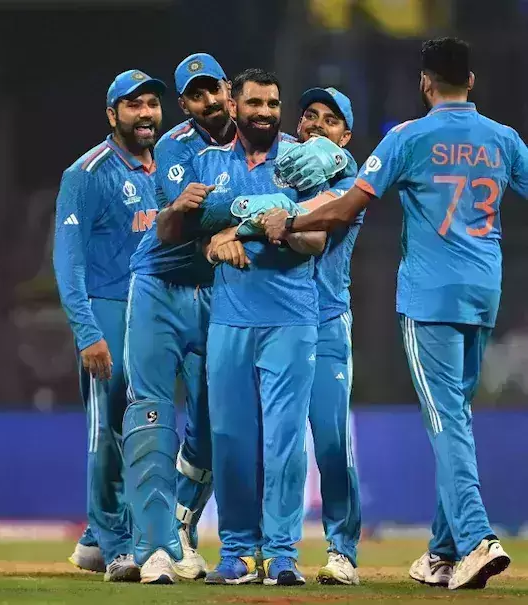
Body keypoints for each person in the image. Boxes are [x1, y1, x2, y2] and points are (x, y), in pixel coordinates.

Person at [262, 37, 528, 590]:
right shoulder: (504, 139)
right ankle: (441, 554)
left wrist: (291, 223)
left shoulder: (408, 136)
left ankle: (476, 538)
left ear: (425, 83)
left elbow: (347, 207)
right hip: (484, 292)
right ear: (471, 81)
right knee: (457, 416)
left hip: (430, 297)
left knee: (445, 419)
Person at [189, 68, 330, 587]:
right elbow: (196, 232)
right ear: (233, 105)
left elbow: (317, 239)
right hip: (229, 319)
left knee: (284, 442)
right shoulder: (208, 163)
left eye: (273, 103)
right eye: (255, 103)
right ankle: (237, 552)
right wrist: (214, 244)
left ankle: (281, 553)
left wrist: (282, 228)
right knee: (230, 440)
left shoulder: (302, 159)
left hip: (290, 318)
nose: (265, 112)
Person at [122, 52, 233, 585]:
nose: (208, 101)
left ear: (229, 89)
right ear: (185, 105)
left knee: (214, 424)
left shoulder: (256, 143)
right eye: (195, 95)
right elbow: (177, 227)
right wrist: (253, 210)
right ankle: (153, 547)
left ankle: (180, 524)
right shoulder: (174, 147)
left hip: (218, 293)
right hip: (160, 288)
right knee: (150, 414)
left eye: (214, 89)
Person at [53, 69, 165, 582]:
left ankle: (95, 539)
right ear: (111, 114)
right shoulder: (87, 173)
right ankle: (117, 546)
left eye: (151, 104)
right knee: (108, 429)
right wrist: (87, 330)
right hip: (108, 310)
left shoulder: (168, 166)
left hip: (155, 312)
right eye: (133, 104)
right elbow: (68, 261)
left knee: (145, 428)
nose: (145, 113)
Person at [295, 88, 363, 586]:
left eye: (330, 120)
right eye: (310, 115)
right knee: (253, 439)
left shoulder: (352, 182)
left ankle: (342, 551)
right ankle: (251, 546)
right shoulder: (276, 167)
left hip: (325, 321)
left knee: (332, 441)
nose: (317, 124)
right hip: (271, 321)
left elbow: (317, 232)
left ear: (346, 137)